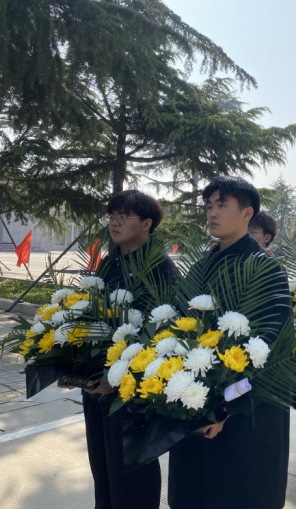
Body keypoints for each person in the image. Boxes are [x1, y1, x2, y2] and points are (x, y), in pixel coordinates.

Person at [168, 177, 292, 509]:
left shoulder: (265, 269)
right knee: (193, 493)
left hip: (244, 413)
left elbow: (270, 349)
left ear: (247, 213)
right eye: (209, 206)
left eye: (222, 205)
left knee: (235, 494)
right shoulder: (202, 266)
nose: (212, 213)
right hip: (195, 404)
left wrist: (225, 408)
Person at [84, 190, 179, 509]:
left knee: (131, 472)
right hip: (97, 387)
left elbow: (165, 337)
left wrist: (121, 378)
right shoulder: (109, 264)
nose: (114, 222)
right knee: (103, 469)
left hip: (133, 392)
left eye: (123, 216)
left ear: (146, 224)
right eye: (111, 216)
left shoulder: (161, 269)